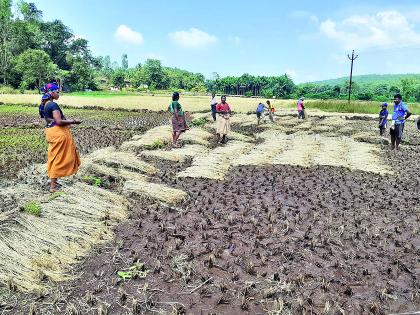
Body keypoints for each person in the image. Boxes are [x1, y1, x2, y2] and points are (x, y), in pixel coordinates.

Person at [41, 83, 81, 193]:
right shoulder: (53, 105)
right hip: (58, 134)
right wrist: (74, 121)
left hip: (51, 132)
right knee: (59, 159)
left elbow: (51, 120)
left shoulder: (46, 104)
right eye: (57, 92)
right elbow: (58, 121)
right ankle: (53, 186)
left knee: (55, 157)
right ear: (51, 93)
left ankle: (54, 181)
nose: (59, 94)